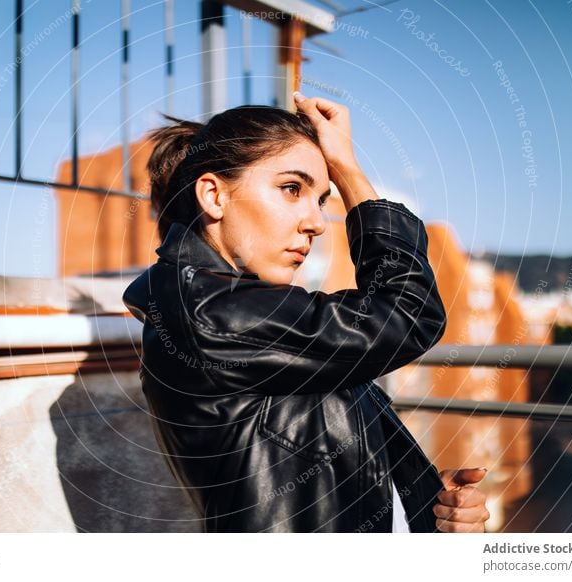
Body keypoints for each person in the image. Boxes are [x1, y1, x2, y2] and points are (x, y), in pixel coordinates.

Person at [122, 92, 490, 533]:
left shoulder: (237, 307)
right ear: (214, 196)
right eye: (291, 189)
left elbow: (314, 452)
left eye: (321, 199)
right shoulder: (215, 313)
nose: (316, 222)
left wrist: (412, 495)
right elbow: (407, 314)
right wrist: (348, 170)